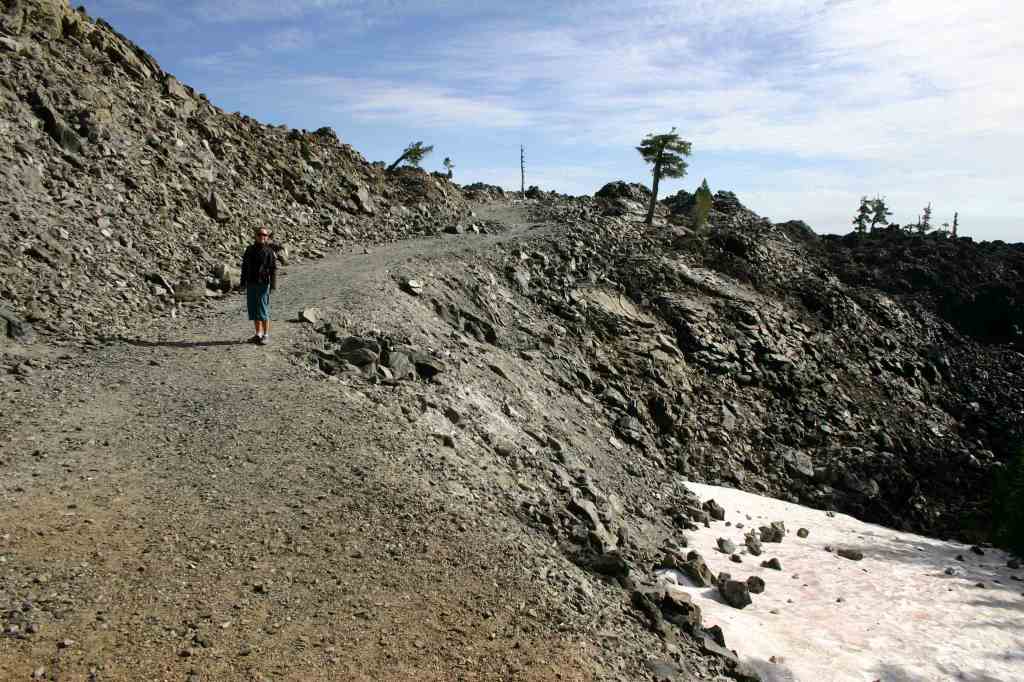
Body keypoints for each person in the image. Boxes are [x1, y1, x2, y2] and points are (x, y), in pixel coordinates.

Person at [240, 227, 277, 345]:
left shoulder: (269, 251)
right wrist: (242, 283)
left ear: (267, 237)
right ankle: (258, 334)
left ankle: (266, 335)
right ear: (256, 236)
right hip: (251, 283)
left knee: (262, 309)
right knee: (254, 309)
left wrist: (273, 285)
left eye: (265, 235)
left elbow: (273, 269)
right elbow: (244, 267)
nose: (262, 237)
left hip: (263, 284)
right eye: (260, 234)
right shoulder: (249, 250)